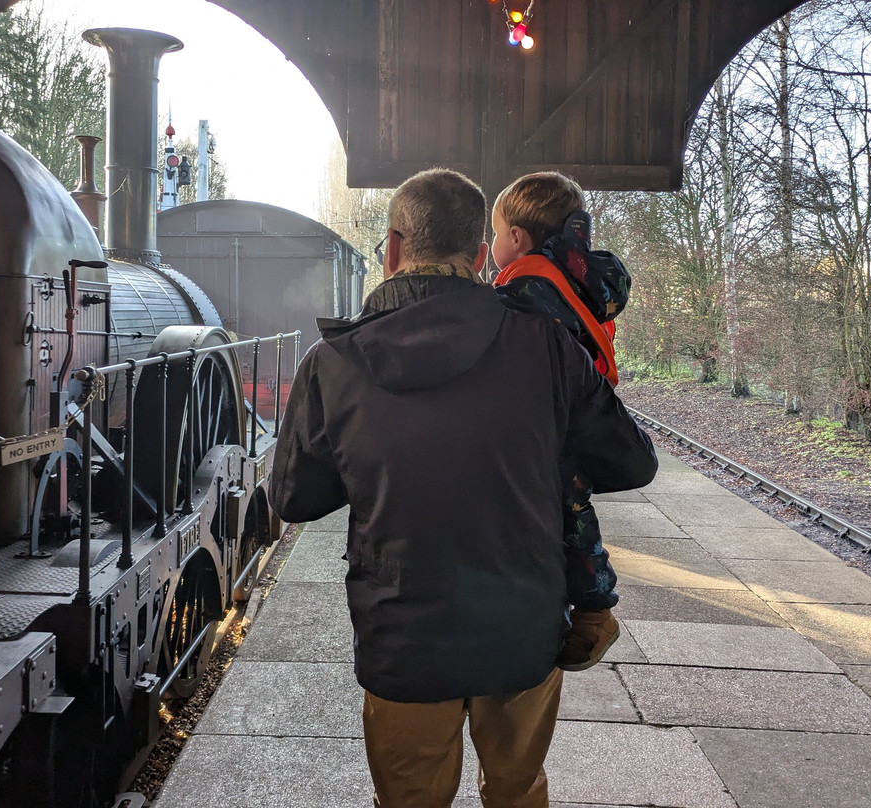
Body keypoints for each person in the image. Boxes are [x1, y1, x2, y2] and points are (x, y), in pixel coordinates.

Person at [269, 168, 657, 808]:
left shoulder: (331, 364)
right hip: (523, 628)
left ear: (393, 249)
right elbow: (631, 463)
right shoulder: (547, 344)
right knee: (518, 791)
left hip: (405, 638)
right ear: (480, 256)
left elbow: (295, 499)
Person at [491, 171, 631, 671]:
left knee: (566, 514)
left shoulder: (526, 286)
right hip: (583, 408)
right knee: (574, 508)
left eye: (493, 233)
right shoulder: (585, 275)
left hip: (551, 417)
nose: (490, 247)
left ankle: (596, 613)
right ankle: (592, 610)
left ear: (516, 238)